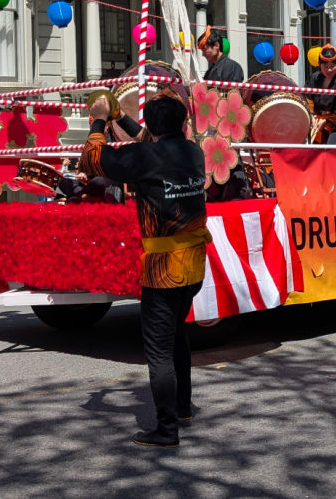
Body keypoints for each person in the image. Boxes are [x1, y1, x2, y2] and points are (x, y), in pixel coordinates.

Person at [80, 91, 212, 448]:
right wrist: (120, 118)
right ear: (184, 124)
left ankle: (167, 430)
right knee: (177, 336)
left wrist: (98, 119)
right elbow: (150, 140)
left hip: (163, 270)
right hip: (194, 265)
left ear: (152, 128)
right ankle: (182, 408)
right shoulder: (193, 152)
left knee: (158, 351)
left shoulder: (144, 156)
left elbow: (93, 159)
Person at [306, 44, 336, 144]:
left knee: (331, 147)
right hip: (317, 120)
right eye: (325, 66)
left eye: (332, 66)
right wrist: (311, 116)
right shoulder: (314, 78)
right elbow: (307, 100)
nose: (329, 69)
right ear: (319, 64)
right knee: (308, 147)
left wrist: (327, 121)